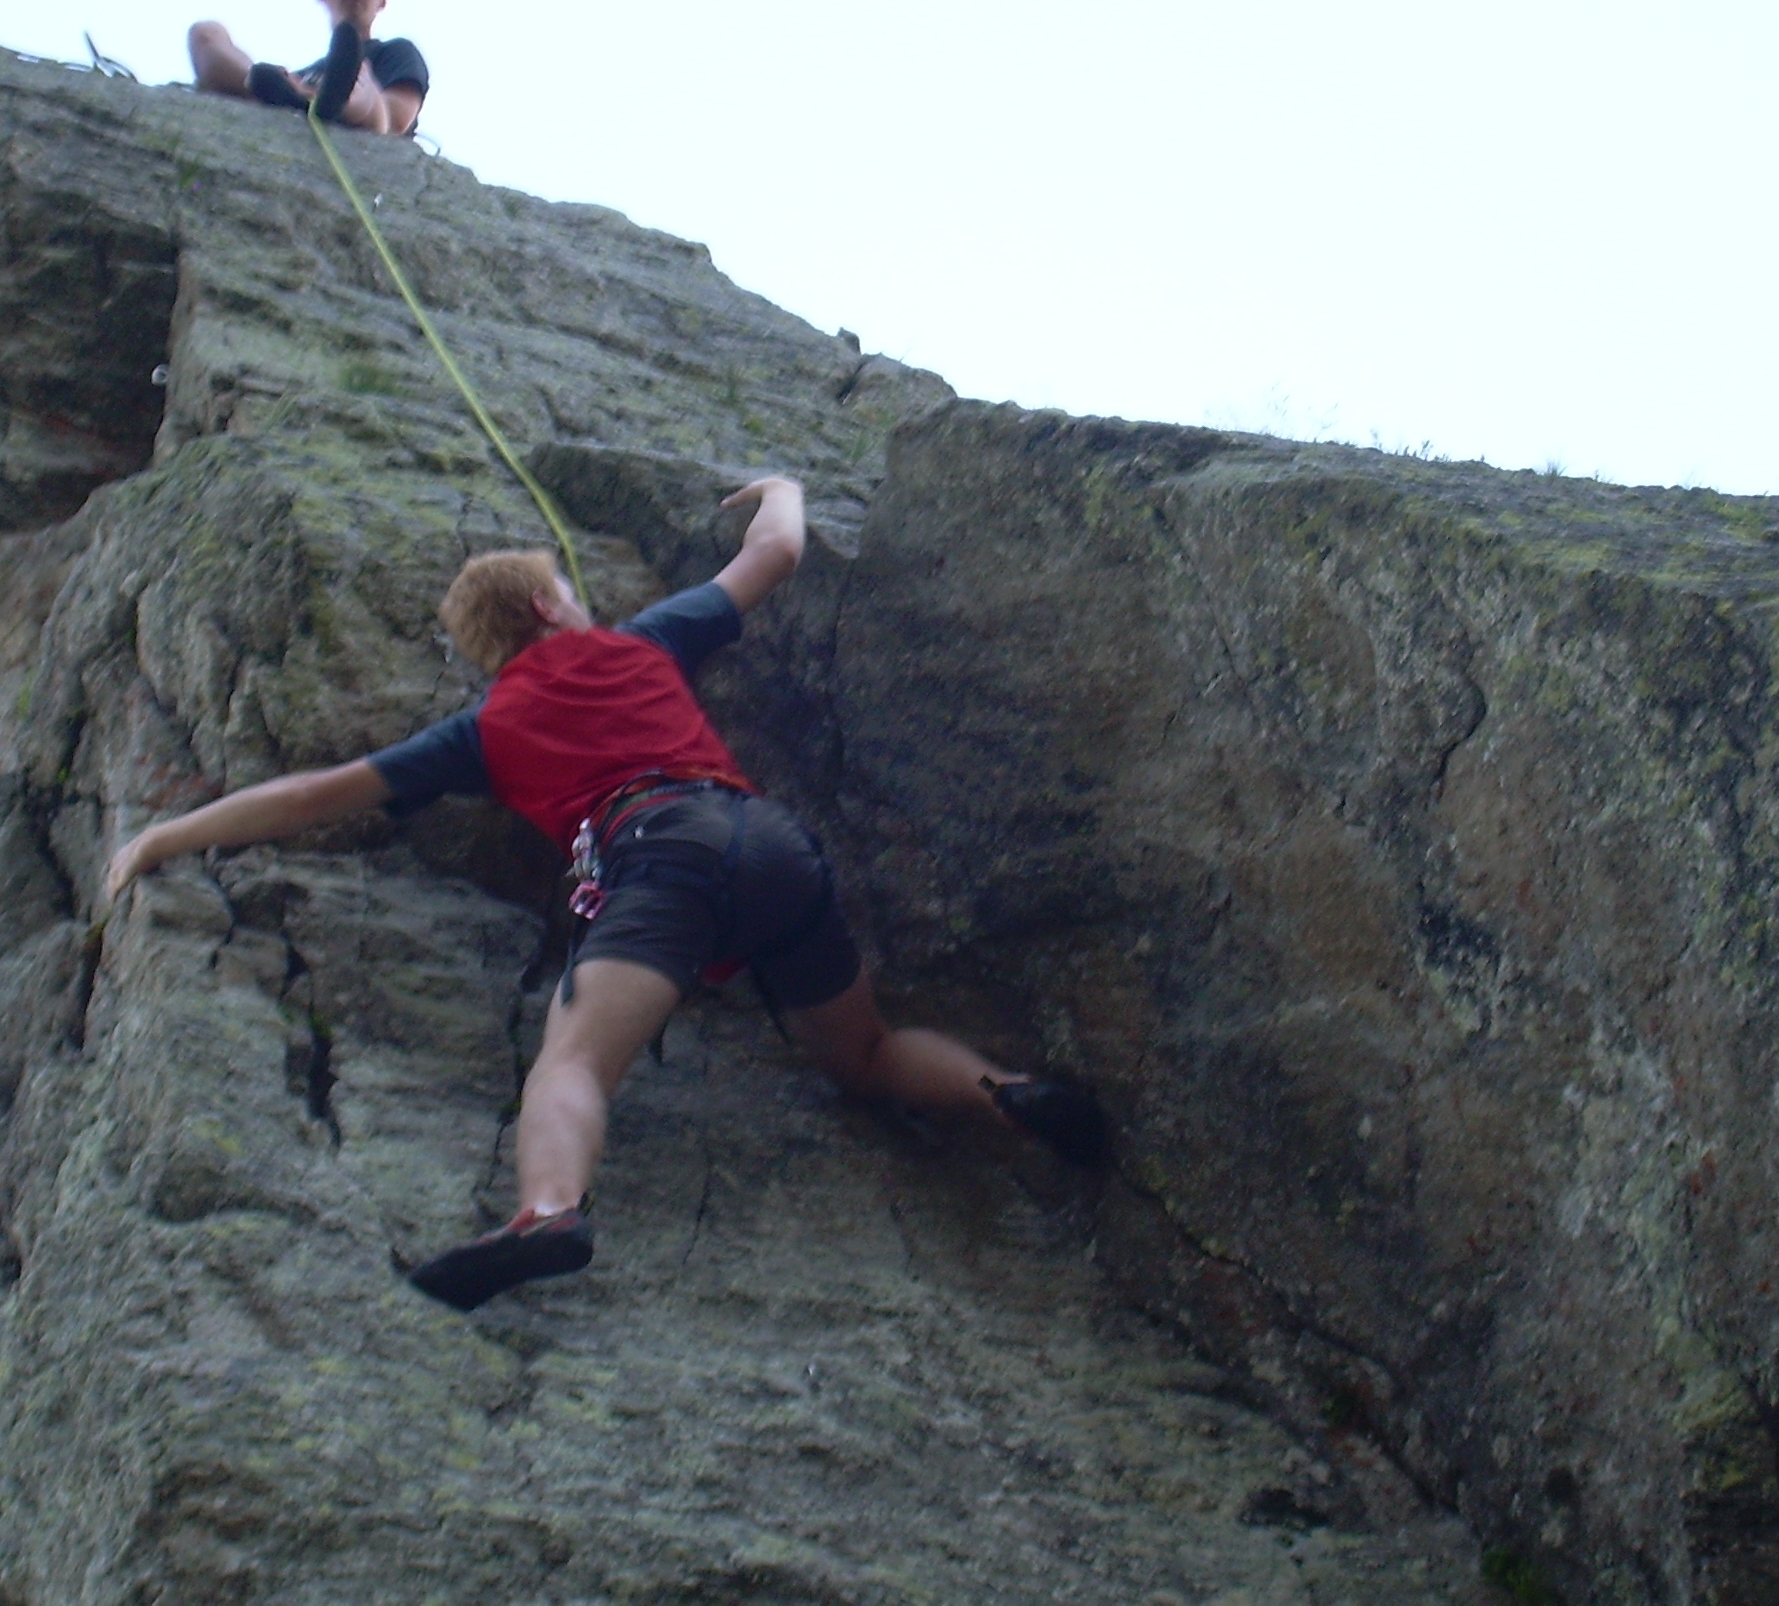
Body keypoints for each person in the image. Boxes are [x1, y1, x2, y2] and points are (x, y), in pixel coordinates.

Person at [104, 478, 1102, 1310]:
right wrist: (780, 489)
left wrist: (165, 834)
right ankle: (1004, 1095)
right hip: (773, 844)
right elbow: (776, 552)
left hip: (657, 852)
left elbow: (311, 796)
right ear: (547, 608)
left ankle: (546, 1213)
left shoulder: (483, 733)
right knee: (864, 1053)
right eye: (568, 591)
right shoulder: (645, 642)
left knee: (570, 1062)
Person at [187, 0, 428, 137]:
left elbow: (396, 118)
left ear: (381, 1)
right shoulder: (303, 72)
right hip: (289, 91)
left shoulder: (396, 51)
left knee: (362, 78)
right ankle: (277, 90)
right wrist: (292, 86)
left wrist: (353, 88)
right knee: (206, 31)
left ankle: (339, 97)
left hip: (369, 119)